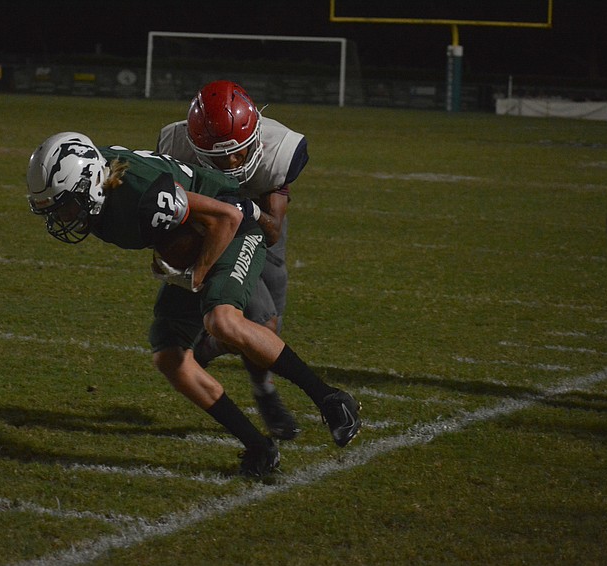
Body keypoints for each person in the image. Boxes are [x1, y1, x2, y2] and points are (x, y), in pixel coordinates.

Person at [26, 132, 360, 477]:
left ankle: (332, 399)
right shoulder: (98, 175)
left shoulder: (144, 194)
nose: (63, 217)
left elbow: (227, 216)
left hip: (230, 225)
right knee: (170, 356)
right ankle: (259, 447)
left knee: (222, 320)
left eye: (65, 205)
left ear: (92, 182)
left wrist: (196, 273)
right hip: (195, 229)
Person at [157, 80, 307, 441]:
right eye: (220, 156)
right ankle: (266, 394)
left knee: (272, 324)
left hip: (261, 225)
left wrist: (248, 207)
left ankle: (213, 349)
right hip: (216, 230)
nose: (231, 162)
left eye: (239, 152)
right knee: (263, 324)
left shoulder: (277, 151)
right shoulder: (174, 145)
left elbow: (272, 231)